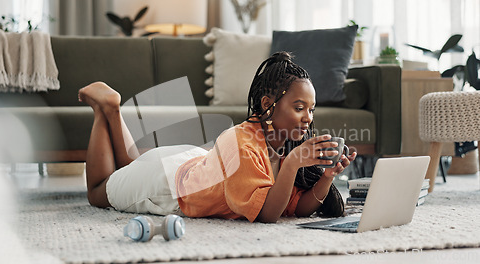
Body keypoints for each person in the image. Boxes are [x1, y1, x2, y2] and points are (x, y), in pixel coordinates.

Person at [78, 51, 357, 223]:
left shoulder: (284, 145)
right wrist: (294, 163)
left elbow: (296, 207)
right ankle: (108, 108)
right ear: (266, 104)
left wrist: (327, 176)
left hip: (193, 164)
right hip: (170, 187)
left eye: (311, 109)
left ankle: (112, 111)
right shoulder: (242, 144)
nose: (308, 117)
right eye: (299, 108)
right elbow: (267, 215)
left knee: (131, 169)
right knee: (98, 191)